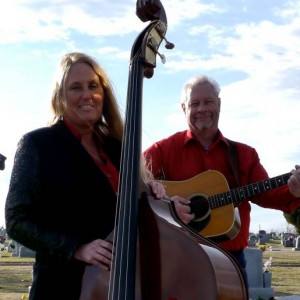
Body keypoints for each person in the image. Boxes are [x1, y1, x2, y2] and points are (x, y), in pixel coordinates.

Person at [5, 52, 165, 300]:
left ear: (104, 93)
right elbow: (16, 221)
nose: (87, 95)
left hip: (119, 285)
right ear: (60, 96)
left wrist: (154, 197)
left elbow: (129, 215)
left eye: (93, 86)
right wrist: (76, 248)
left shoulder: (117, 147)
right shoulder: (37, 144)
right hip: (61, 286)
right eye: (75, 88)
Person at [143, 74, 300, 278]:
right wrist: (166, 205)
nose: (202, 109)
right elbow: (129, 181)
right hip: (179, 258)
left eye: (208, 102)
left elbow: (269, 194)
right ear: (184, 108)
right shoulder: (162, 150)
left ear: (219, 104)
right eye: (194, 103)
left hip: (230, 260)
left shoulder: (244, 155)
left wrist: (294, 190)